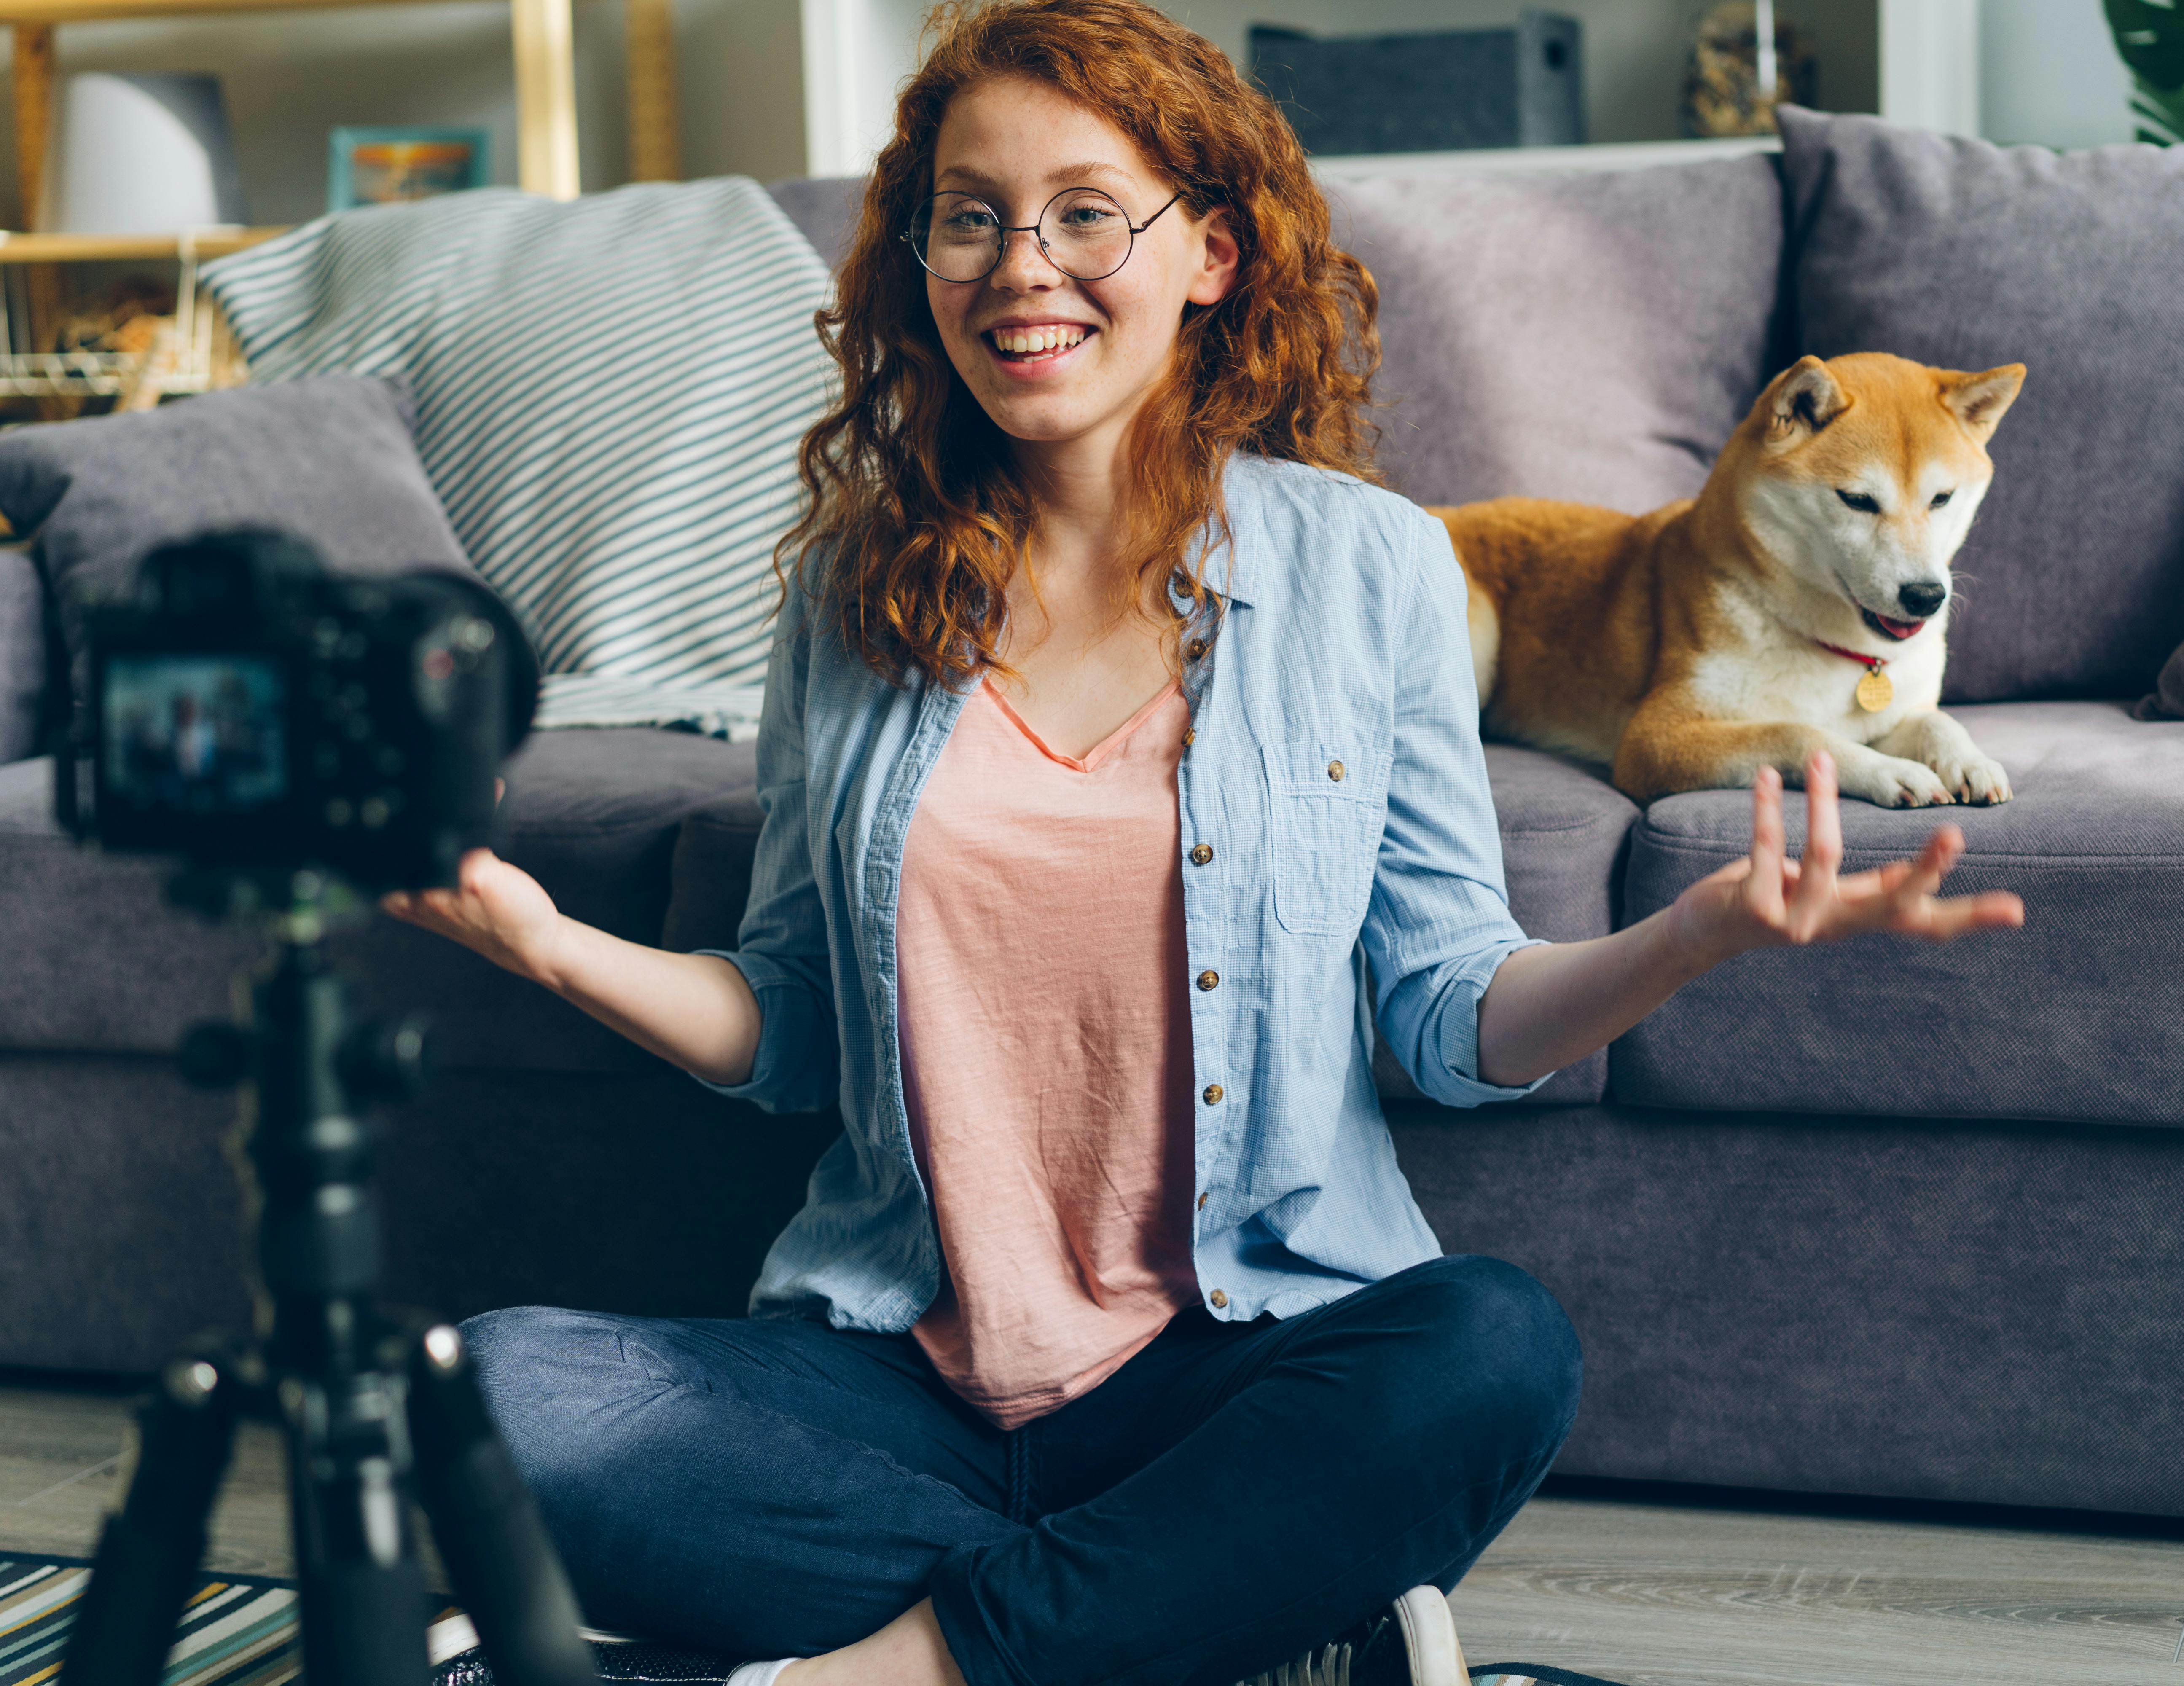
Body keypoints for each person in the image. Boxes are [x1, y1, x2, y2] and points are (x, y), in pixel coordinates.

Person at [383, 3, 2024, 1683]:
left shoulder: (1371, 568)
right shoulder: (851, 594)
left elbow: (1448, 1012)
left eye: (1088, 212)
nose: (1024, 265)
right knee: (488, 1398)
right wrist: (544, 941)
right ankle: (1209, 1611)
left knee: (1489, 1349)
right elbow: (794, 1021)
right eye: (971, 215)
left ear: (1213, 254)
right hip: (901, 1380)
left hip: (1239, 1364)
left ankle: (902, 1666)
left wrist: (1696, 936)